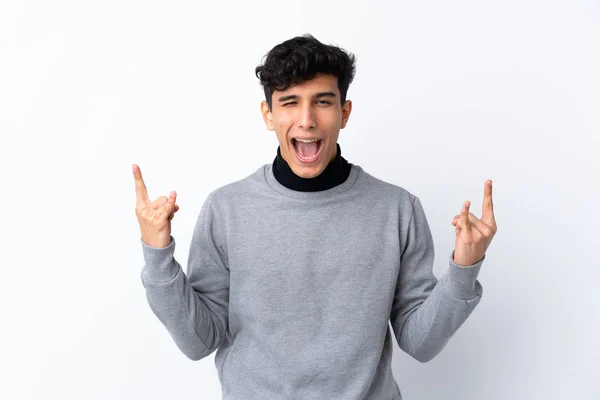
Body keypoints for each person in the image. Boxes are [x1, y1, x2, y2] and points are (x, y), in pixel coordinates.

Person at [133, 34, 497, 400]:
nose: (306, 120)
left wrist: (465, 268)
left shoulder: (397, 209)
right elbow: (199, 342)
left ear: (344, 112)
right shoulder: (226, 209)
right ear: (268, 115)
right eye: (290, 102)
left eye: (322, 102)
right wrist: (157, 254)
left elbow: (420, 343)